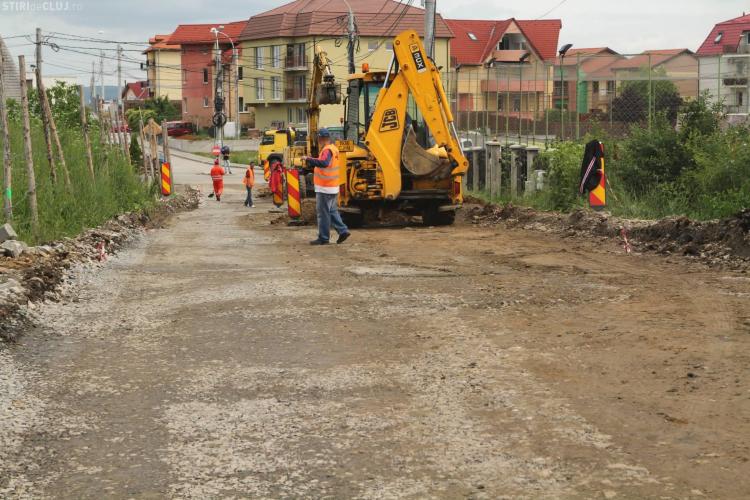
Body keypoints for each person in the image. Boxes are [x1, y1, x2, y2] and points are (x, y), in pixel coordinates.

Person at [301, 128, 351, 245]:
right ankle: (343, 231)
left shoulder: (327, 150)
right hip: (332, 187)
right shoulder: (333, 148)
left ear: (320, 138)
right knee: (332, 211)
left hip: (325, 188)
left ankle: (323, 238)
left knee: (323, 213)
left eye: (318, 138)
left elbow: (324, 163)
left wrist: (308, 159)